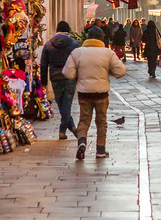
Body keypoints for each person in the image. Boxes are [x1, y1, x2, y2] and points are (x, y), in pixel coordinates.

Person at [62, 26, 127, 160]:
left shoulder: (77, 52)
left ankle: (81, 142)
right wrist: (109, 71)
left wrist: (78, 74)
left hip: (84, 94)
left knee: (84, 121)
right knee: (101, 121)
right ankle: (100, 150)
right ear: (102, 37)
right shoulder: (107, 53)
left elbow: (67, 73)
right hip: (101, 94)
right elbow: (120, 71)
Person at [39, 21, 80, 140]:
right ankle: (70, 127)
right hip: (69, 77)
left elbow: (43, 64)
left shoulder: (48, 45)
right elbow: (79, 63)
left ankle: (64, 130)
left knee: (61, 103)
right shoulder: (74, 45)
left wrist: (44, 82)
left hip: (55, 77)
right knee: (66, 103)